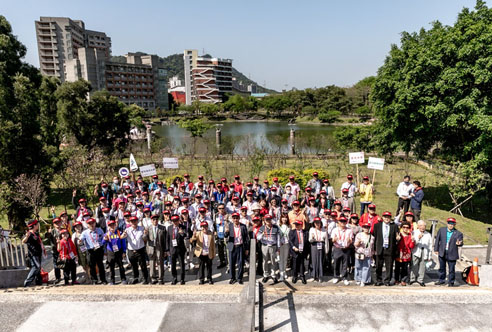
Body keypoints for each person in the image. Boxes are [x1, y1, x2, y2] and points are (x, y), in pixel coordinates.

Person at [434, 217, 463, 287]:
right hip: (442, 252)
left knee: (451, 269)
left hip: (452, 253)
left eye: (452, 224)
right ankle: (441, 280)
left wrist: (459, 243)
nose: (450, 225)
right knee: (441, 268)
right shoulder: (442, 230)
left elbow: (461, 242)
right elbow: (437, 240)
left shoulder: (458, 233)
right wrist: (436, 249)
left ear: (454, 225)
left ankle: (451, 281)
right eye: (449, 223)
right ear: (447, 224)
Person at [373, 211, 400, 286]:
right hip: (379, 248)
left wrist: (398, 238)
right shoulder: (377, 226)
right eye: (385, 217)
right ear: (382, 217)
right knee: (378, 265)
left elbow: (397, 236)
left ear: (390, 218)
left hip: (390, 248)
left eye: (388, 217)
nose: (387, 218)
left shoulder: (394, 226)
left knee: (389, 266)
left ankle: (387, 280)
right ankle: (378, 280)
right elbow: (375, 237)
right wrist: (374, 249)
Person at [122, 216, 149, 284]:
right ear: (130, 222)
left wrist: (145, 234)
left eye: (135, 221)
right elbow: (121, 237)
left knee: (143, 265)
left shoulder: (142, 228)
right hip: (131, 250)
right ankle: (135, 278)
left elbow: (145, 239)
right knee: (134, 266)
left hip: (140, 249)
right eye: (132, 221)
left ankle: (145, 278)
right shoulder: (127, 230)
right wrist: (123, 234)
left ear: (137, 221)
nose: (134, 222)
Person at [81, 218, 107, 284]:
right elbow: (81, 240)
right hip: (90, 251)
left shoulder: (99, 230)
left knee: (100, 265)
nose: (92, 225)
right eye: (90, 223)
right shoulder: (85, 233)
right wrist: (80, 241)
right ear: (87, 225)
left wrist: (104, 242)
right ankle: (94, 280)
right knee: (92, 266)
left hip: (99, 249)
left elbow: (103, 239)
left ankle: (103, 279)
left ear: (95, 223)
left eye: (93, 223)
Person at [225, 212, 250, 284]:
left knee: (240, 263)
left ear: (239, 218)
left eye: (237, 218)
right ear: (232, 219)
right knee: (232, 263)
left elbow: (246, 238)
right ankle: (232, 278)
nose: (235, 219)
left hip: (240, 246)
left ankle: (239, 278)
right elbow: (225, 236)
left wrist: (247, 249)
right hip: (232, 246)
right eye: (234, 218)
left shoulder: (243, 226)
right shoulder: (229, 226)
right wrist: (226, 232)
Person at [103, 219, 127, 285]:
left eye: (113, 225)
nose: (112, 227)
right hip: (110, 252)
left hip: (119, 251)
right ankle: (112, 280)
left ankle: (123, 279)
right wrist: (105, 239)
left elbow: (123, 242)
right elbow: (103, 242)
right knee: (111, 267)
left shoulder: (119, 232)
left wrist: (124, 251)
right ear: (108, 227)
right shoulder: (107, 234)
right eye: (110, 226)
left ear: (115, 225)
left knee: (121, 266)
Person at [258, 215, 280, 284]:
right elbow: (258, 238)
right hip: (264, 246)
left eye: (269, 219)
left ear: (271, 220)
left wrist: (278, 247)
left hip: (273, 246)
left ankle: (273, 275)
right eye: (266, 220)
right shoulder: (262, 228)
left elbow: (278, 238)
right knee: (265, 261)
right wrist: (262, 234)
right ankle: (266, 274)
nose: (268, 221)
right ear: (264, 220)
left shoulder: (276, 227)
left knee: (273, 261)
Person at [331, 216, 353, 285]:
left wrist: (349, 240)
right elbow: (332, 240)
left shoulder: (349, 230)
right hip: (337, 248)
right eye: (341, 221)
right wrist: (334, 239)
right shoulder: (335, 230)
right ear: (339, 222)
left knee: (345, 264)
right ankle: (336, 276)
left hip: (346, 248)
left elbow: (351, 240)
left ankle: (344, 277)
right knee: (336, 263)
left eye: (344, 221)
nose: (343, 223)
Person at [23, 220, 45, 287]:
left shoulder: (36, 233)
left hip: (38, 253)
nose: (38, 225)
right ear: (34, 226)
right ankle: (27, 282)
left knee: (39, 267)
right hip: (33, 254)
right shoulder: (29, 234)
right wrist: (26, 237)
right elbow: (23, 241)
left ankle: (39, 282)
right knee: (36, 267)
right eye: (37, 224)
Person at [410, 220, 432, 287]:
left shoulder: (428, 234)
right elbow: (413, 243)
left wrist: (429, 255)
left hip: (424, 251)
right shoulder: (414, 232)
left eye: (424, 226)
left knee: (422, 266)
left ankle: (420, 280)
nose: (422, 227)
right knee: (414, 265)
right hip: (416, 251)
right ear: (418, 226)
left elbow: (430, 245)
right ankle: (412, 278)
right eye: (421, 226)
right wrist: (418, 238)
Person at [146, 215, 167, 284]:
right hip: (151, 248)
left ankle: (161, 278)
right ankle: (153, 278)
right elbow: (144, 239)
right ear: (151, 220)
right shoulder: (148, 228)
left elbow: (165, 240)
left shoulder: (162, 228)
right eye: (154, 219)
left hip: (159, 247)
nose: (155, 221)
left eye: (156, 219)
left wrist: (165, 250)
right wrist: (144, 234)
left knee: (160, 262)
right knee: (152, 263)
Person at [167, 215, 187, 285]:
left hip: (180, 249)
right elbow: (168, 239)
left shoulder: (182, 226)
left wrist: (182, 233)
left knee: (181, 264)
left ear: (178, 220)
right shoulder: (169, 228)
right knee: (173, 265)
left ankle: (182, 279)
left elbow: (186, 235)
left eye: (176, 220)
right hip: (172, 249)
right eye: (173, 221)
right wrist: (167, 250)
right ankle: (174, 278)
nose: (175, 222)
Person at [394, 222, 414, 286]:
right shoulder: (399, 234)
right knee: (397, 267)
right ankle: (396, 279)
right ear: (401, 228)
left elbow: (411, 246)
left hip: (406, 253)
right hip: (399, 252)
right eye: (404, 227)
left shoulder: (410, 235)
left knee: (404, 268)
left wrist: (413, 241)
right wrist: (397, 240)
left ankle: (403, 280)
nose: (405, 228)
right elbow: (395, 244)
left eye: (407, 227)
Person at [289, 220, 308, 284]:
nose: (296, 226)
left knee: (302, 263)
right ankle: (294, 276)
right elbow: (290, 241)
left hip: (303, 250)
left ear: (301, 225)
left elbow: (307, 242)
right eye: (295, 225)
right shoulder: (292, 232)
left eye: (298, 225)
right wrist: (294, 247)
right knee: (295, 263)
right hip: (295, 250)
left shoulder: (305, 232)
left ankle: (302, 275)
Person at [309, 217, 328, 282]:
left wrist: (326, 250)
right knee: (313, 261)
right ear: (314, 223)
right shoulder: (311, 229)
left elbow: (326, 241)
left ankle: (320, 276)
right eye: (316, 223)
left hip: (321, 245)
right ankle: (313, 275)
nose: (317, 224)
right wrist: (313, 239)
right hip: (314, 245)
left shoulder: (324, 230)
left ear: (321, 223)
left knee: (320, 261)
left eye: (318, 223)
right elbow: (309, 240)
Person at [45, 217, 63, 284]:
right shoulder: (52, 231)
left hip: (63, 249)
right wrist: (48, 232)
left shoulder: (63, 230)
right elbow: (46, 236)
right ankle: (58, 277)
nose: (58, 224)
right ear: (54, 224)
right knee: (56, 265)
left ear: (61, 223)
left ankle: (67, 276)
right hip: (55, 250)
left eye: (59, 222)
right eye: (56, 223)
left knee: (65, 263)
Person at [215, 203, 230, 269]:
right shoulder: (216, 215)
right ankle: (222, 262)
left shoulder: (228, 215)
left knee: (227, 251)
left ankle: (229, 265)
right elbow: (214, 224)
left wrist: (228, 229)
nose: (221, 210)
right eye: (219, 208)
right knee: (220, 251)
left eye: (222, 208)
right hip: (219, 235)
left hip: (226, 236)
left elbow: (232, 224)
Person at [278, 214, 290, 282]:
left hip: (286, 244)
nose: (284, 219)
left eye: (285, 218)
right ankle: (281, 274)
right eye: (283, 218)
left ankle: (284, 271)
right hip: (280, 244)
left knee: (285, 259)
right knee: (280, 259)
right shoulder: (278, 226)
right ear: (281, 219)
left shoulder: (289, 226)